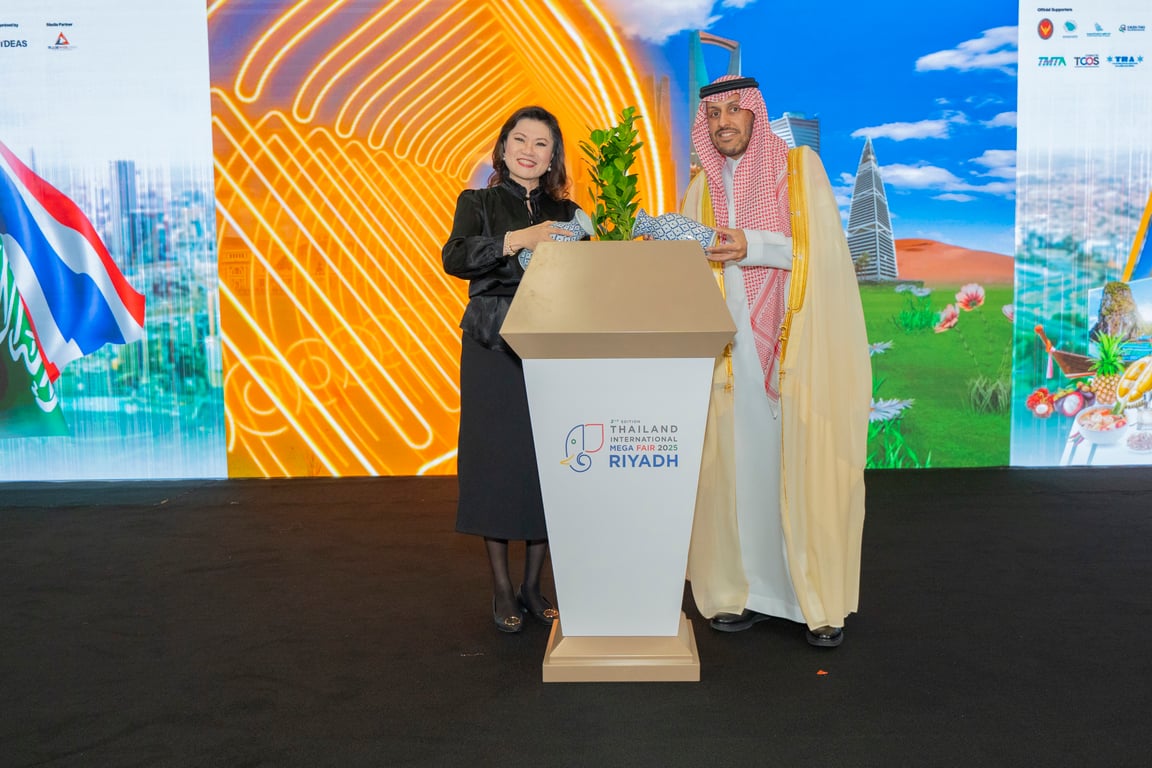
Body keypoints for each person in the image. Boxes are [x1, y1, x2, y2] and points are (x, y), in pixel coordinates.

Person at [681, 75, 871, 647]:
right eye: (713, 115)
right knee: (740, 475)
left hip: (794, 352)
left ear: (754, 115)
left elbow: (824, 252)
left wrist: (753, 245)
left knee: (802, 468)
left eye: (733, 111)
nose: (723, 123)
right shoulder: (701, 189)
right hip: (727, 359)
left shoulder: (797, 169)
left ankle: (813, 601)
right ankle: (747, 592)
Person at [442, 106, 584, 634]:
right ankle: (502, 587)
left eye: (541, 144)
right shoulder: (476, 202)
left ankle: (532, 585)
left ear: (552, 158)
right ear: (502, 149)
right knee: (496, 461)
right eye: (519, 140)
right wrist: (520, 239)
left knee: (549, 461)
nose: (529, 150)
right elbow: (455, 258)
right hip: (493, 341)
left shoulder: (570, 214)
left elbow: (585, 277)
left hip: (552, 342)